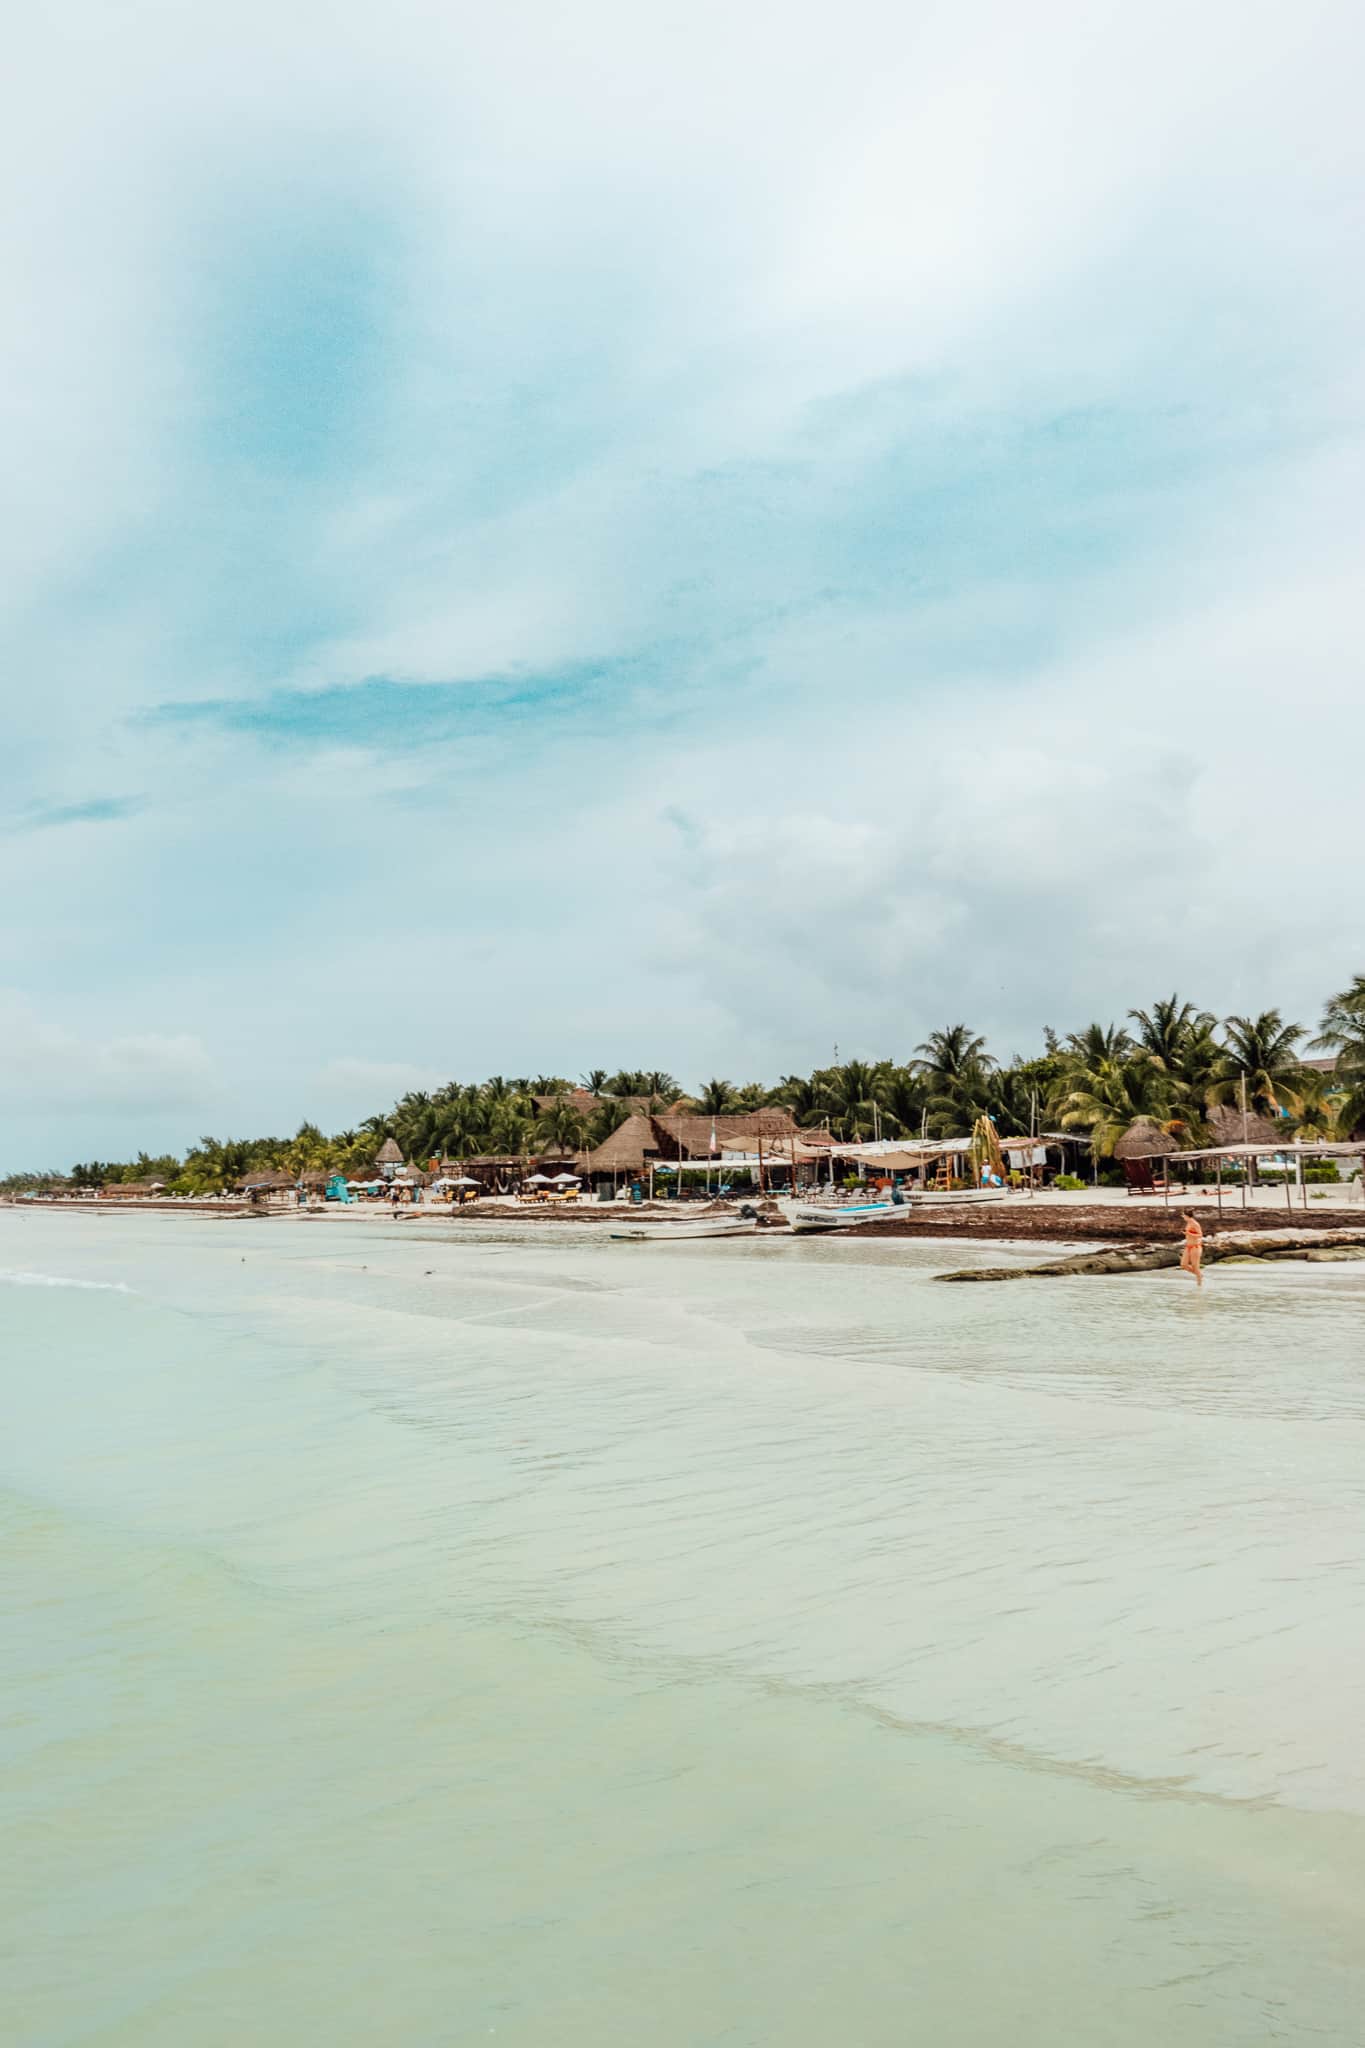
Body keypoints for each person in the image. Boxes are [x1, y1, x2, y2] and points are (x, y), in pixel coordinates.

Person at [1179, 1208, 1204, 1287]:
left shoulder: (1195, 1224)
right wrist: (1187, 1233)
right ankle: (1200, 1275)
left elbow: (1200, 1235)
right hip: (1188, 1246)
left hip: (1195, 1247)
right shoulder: (1188, 1222)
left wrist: (1188, 1234)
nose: (1182, 1216)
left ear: (1187, 1215)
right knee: (1183, 1265)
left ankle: (1199, 1287)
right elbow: (1189, 1233)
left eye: (1183, 1215)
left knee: (1195, 1267)